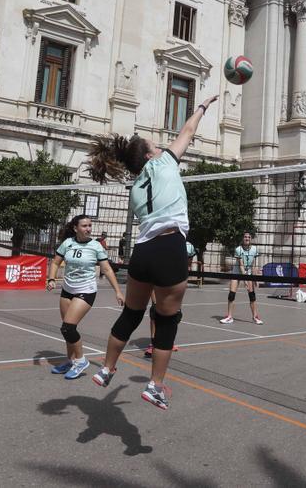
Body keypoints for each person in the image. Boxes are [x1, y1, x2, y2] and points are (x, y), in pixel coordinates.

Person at [86, 93, 219, 410]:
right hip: (169, 246)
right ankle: (156, 386)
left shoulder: (134, 189)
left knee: (131, 314)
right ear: (149, 156)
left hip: (142, 251)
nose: (161, 148)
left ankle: (106, 368)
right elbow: (187, 132)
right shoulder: (162, 162)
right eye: (155, 146)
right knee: (168, 320)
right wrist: (203, 106)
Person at [46, 214, 124, 379]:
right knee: (68, 330)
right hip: (67, 290)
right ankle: (70, 361)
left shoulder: (96, 246)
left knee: (68, 327)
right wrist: (51, 279)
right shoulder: (67, 243)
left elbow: (108, 270)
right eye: (84, 226)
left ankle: (80, 361)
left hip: (86, 290)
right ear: (76, 228)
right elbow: (55, 263)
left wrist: (117, 291)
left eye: (90, 225)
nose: (88, 228)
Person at [221, 232, 262, 325]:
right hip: (237, 272)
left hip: (249, 273)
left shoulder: (254, 249)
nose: (247, 238)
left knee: (252, 295)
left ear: (251, 239)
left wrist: (255, 279)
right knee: (231, 294)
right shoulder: (238, 249)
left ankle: (255, 317)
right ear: (243, 239)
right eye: (245, 237)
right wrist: (245, 280)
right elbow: (241, 265)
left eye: (248, 237)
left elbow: (254, 265)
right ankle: (229, 317)